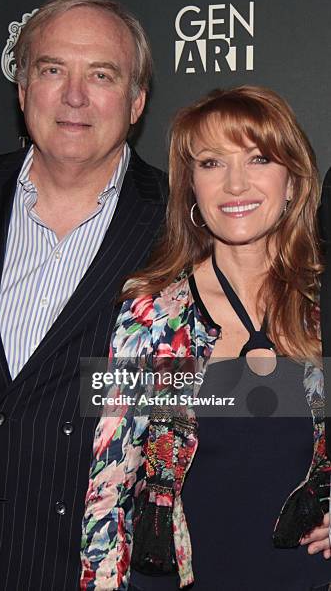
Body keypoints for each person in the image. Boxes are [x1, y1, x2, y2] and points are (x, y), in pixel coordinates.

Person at [0, 0, 168, 591]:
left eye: (100, 75)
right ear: (23, 90)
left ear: (135, 102)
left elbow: (236, 394)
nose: (74, 96)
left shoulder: (184, 225)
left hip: (87, 569)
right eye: (52, 70)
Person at [80, 86, 331, 590]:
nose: (236, 184)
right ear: (191, 185)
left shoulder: (320, 304)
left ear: (292, 182)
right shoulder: (149, 313)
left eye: (258, 159)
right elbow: (108, 489)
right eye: (212, 163)